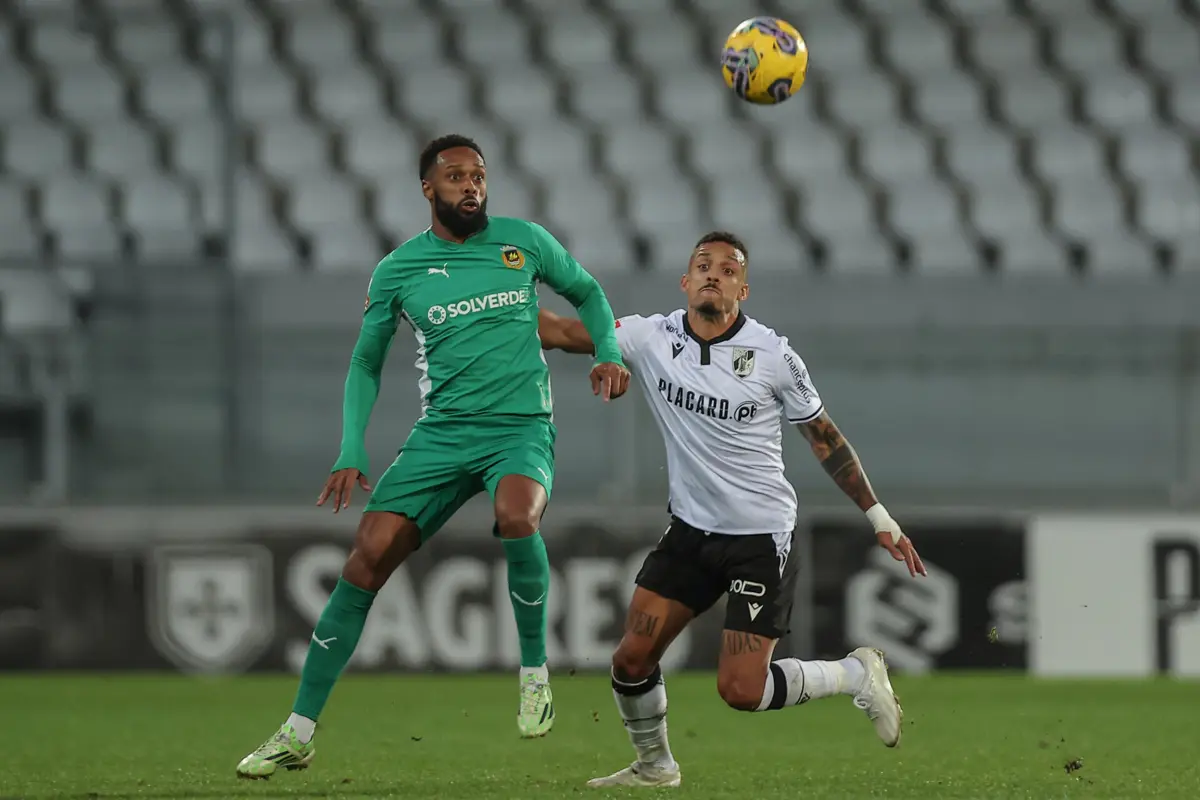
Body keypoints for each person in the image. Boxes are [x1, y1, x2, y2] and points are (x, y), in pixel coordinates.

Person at [236, 135, 630, 779]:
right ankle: (298, 730)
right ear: (427, 188)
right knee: (366, 559)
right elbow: (365, 362)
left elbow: (587, 292)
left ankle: (534, 674)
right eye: (454, 176)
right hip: (442, 434)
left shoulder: (523, 241)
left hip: (519, 428)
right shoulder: (399, 269)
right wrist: (350, 447)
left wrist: (609, 350)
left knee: (519, 516)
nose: (470, 186)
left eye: (478, 175)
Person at [537, 231, 927, 788]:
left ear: (743, 288)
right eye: (703, 265)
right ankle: (655, 767)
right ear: (685, 281)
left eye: (727, 268)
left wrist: (878, 516)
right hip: (691, 534)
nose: (713, 273)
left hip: (759, 539)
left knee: (741, 690)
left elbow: (825, 439)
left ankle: (854, 673)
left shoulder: (773, 354)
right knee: (630, 660)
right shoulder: (651, 336)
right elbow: (564, 332)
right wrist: (499, 304)